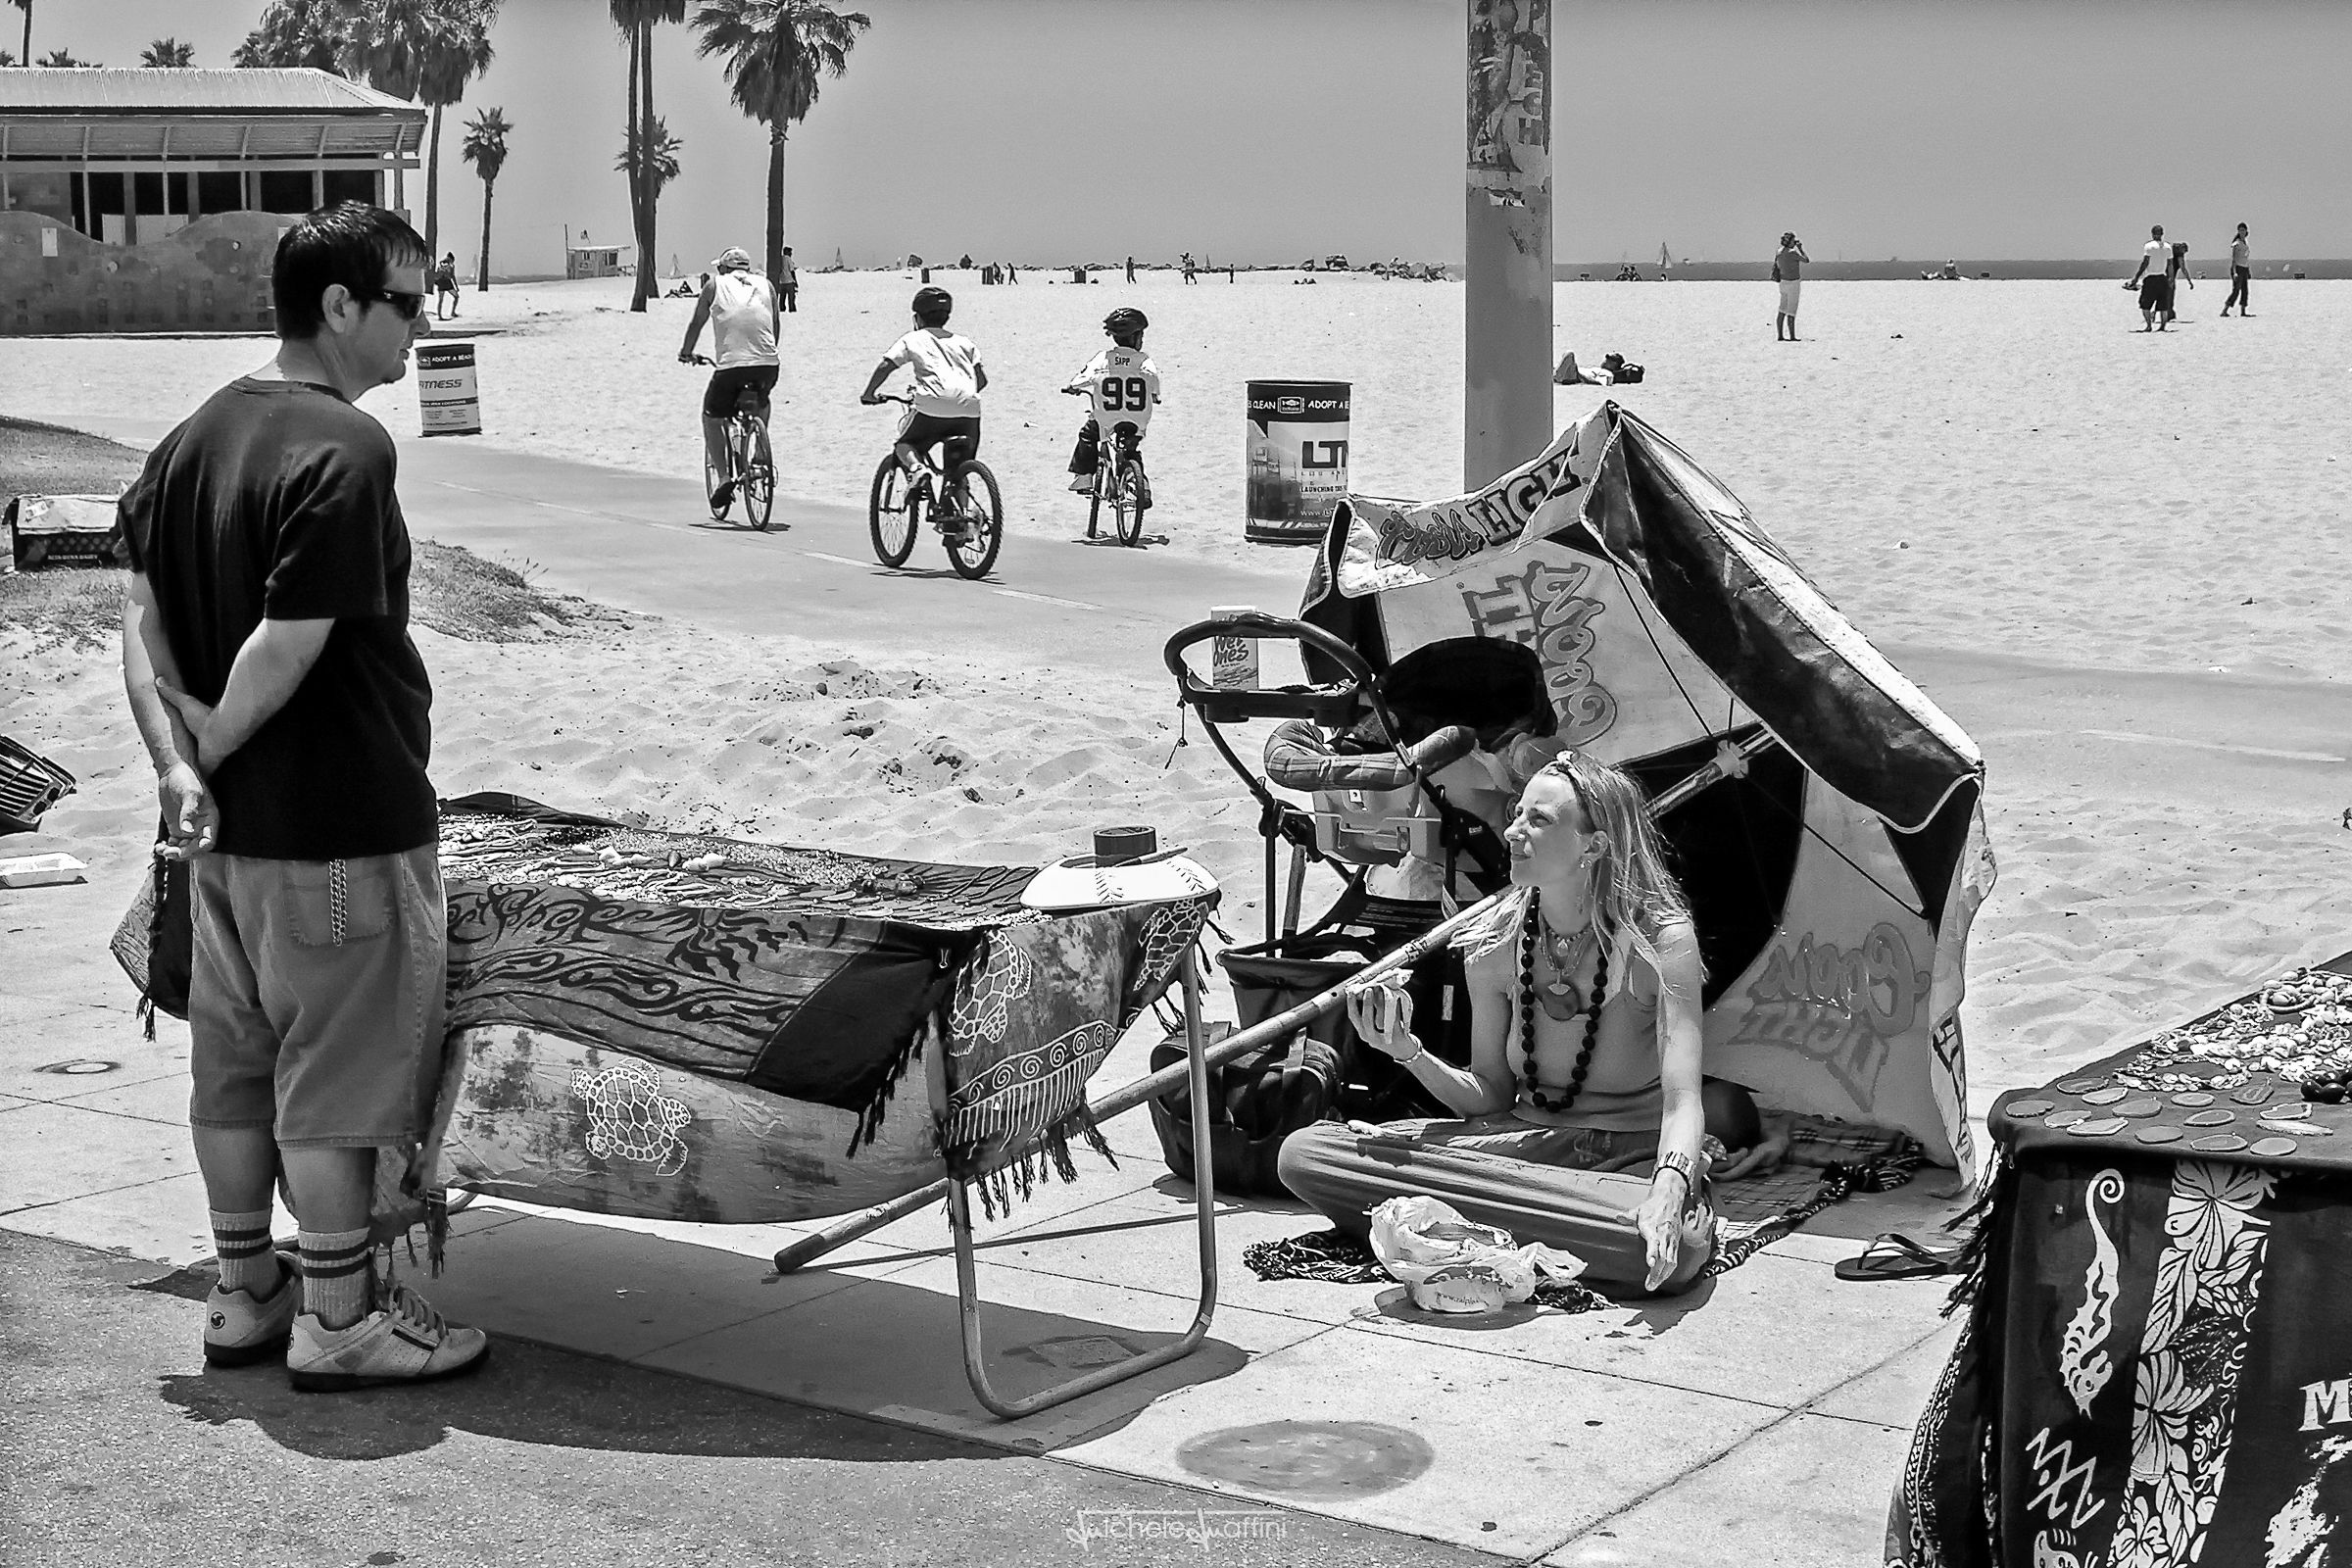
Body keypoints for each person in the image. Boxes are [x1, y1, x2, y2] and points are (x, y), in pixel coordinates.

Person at [116, 201, 488, 1390]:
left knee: (232, 1067)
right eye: (407, 303)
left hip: (217, 844)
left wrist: (179, 770)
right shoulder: (347, 448)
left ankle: (244, 1291)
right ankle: (340, 1318)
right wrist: (216, 744)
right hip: (337, 827)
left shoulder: (190, 438)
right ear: (339, 306)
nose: (421, 326)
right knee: (333, 1074)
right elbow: (293, 635)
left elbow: (137, 625)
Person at [1277, 752, 1782, 1296]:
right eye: (1516, 813)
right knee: (1304, 1154)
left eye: (1538, 819)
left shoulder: (1661, 940)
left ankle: (1460, 1220)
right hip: (1517, 1148)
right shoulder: (1495, 942)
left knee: (1664, 1247)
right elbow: (1490, 1095)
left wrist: (1670, 1186)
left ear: (1594, 845)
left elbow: (1683, 1102)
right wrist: (1408, 1052)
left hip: (1627, 1160)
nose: (1513, 831)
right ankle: (1513, 1220)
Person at [858, 284, 988, 539]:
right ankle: (962, 522)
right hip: (969, 412)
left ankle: (917, 469)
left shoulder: (912, 338)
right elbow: (981, 380)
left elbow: (887, 365)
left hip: (931, 409)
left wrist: (869, 393)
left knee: (903, 444)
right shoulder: (965, 342)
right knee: (958, 471)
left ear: (917, 317)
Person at [676, 247, 781, 514]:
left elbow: (697, 322)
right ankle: (759, 453)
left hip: (732, 367)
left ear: (723, 268)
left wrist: (686, 352)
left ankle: (724, 478)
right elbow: (775, 326)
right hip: (768, 364)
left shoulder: (714, 285)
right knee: (762, 400)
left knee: (711, 417)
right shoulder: (767, 285)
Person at [1060, 306, 1160, 498]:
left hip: (1106, 419)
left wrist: (1073, 387)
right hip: (1136, 419)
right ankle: (1141, 483)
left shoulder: (1102, 359)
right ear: (1135, 337)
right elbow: (1154, 383)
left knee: (1088, 435)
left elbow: (1082, 379)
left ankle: (1084, 476)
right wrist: (1155, 395)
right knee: (1130, 449)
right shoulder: (1144, 361)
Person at [2128, 224, 2171, 331]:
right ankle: (2162, 326)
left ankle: (2149, 325)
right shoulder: (2167, 247)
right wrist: (2171, 278)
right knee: (2163, 305)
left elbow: (2145, 263)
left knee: (2145, 304)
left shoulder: (2149, 246)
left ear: (2152, 234)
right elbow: (2170, 265)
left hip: (2151, 278)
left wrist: (2136, 277)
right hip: (2163, 277)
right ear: (2162, 234)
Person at [1773, 231, 1807, 341]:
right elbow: (1806, 260)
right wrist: (1800, 248)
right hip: (1793, 283)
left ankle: (1780, 335)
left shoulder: (1779, 252)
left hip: (1783, 282)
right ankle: (1792, 336)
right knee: (1791, 310)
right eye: (1793, 240)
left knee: (1782, 309)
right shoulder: (1792, 252)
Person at [1552, 350, 1642, 386]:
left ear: (1615, 364)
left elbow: (1599, 382)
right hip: (1570, 373)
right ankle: (1554, 374)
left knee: (1569, 354)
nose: (1605, 360)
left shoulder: (1609, 374)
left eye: (1609, 359)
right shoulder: (1602, 370)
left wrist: (1580, 377)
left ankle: (1556, 376)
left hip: (1572, 376)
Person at [2223, 223, 2252, 317]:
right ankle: (2225, 309)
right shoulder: (2236, 243)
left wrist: (2248, 270)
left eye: (2244, 230)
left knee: (2245, 290)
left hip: (2244, 267)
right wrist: (2234, 272)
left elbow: (2246, 258)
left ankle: (2243, 311)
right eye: (2240, 230)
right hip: (2237, 268)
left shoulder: (2245, 243)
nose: (2242, 232)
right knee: (2236, 290)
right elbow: (2234, 259)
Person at [2165, 240, 2194, 324]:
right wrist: (2189, 281)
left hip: (2162, 276)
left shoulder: (2170, 254)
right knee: (2169, 297)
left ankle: (2164, 314)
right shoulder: (2179, 256)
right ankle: (2168, 314)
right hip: (2170, 279)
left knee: (2162, 296)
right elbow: (2183, 269)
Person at [431, 252, 460, 318]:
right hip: (447, 282)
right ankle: (452, 312)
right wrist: (456, 286)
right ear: (451, 259)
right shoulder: (451, 265)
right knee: (456, 297)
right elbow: (452, 276)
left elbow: (438, 273)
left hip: (440, 282)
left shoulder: (441, 263)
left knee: (440, 300)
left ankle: (440, 315)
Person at [779, 246, 798, 313]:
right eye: (790, 252)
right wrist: (795, 281)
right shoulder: (788, 259)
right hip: (789, 281)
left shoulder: (780, 258)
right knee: (791, 298)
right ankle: (792, 309)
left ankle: (782, 309)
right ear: (787, 252)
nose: (791, 254)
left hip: (782, 281)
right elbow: (792, 271)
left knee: (782, 297)